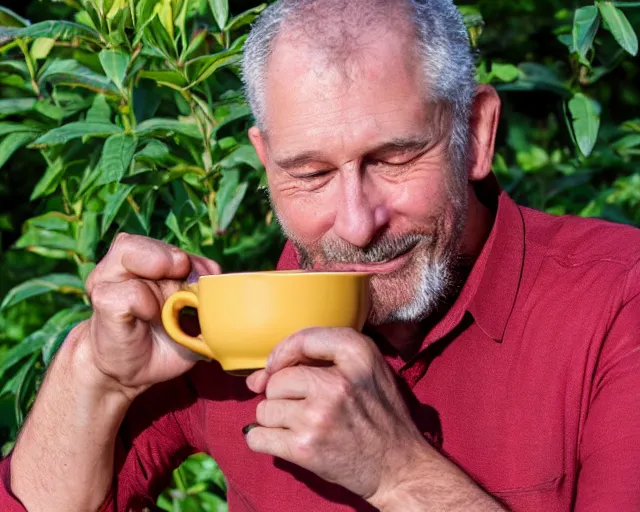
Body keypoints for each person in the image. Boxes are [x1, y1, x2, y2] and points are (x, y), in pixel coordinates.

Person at [2, 0, 640, 510]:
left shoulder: (617, 300)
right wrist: (98, 372)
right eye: (309, 173)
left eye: (393, 159)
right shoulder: (227, 325)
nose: (358, 226)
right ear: (265, 160)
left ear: (474, 135)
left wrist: (400, 476)